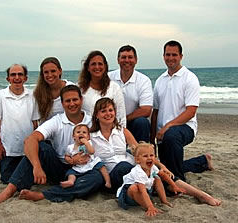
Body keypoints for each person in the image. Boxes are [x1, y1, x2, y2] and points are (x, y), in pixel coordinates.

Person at [0, 85, 103, 206]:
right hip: (59, 168)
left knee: (97, 178)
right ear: (62, 103)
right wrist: (37, 166)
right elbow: (30, 140)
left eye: (75, 100)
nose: (72, 104)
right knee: (41, 146)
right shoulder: (57, 121)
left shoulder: (92, 122)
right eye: (68, 101)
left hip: (83, 170)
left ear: (81, 100)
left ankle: (43, 195)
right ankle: (8, 191)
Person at [92, 98, 221, 207]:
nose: (108, 114)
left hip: (137, 170)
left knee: (160, 172)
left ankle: (201, 195)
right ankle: (151, 190)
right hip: (115, 175)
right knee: (125, 167)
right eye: (103, 111)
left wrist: (161, 166)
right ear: (97, 115)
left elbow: (139, 151)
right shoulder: (91, 136)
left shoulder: (122, 131)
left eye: (110, 110)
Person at [150, 40, 214, 182]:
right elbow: (155, 111)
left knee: (171, 137)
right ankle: (202, 161)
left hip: (184, 128)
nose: (170, 58)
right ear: (163, 56)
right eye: (168, 54)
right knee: (166, 168)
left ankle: (178, 181)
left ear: (181, 56)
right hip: (163, 133)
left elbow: (190, 111)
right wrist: (152, 139)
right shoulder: (160, 80)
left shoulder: (190, 78)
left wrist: (168, 127)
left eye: (174, 54)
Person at [0, 64, 39, 184]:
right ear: (8, 79)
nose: (17, 77)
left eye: (20, 74)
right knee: (7, 181)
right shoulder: (0, 95)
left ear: (25, 78)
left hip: (27, 151)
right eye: (13, 75)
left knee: (27, 182)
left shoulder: (32, 96)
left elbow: (35, 123)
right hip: (7, 150)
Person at [117, 143, 184, 217]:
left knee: (157, 178)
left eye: (151, 155)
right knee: (134, 188)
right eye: (145, 156)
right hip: (129, 196)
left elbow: (163, 175)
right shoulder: (138, 171)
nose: (149, 158)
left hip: (145, 191)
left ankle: (164, 201)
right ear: (137, 160)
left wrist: (174, 186)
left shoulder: (152, 167)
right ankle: (149, 207)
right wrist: (150, 206)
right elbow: (142, 190)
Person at [109, 45, 153, 142]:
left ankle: (142, 153)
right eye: (123, 57)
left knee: (142, 122)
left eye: (130, 57)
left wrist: (123, 119)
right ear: (118, 60)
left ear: (136, 60)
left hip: (132, 121)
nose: (127, 60)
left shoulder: (143, 80)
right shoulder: (108, 77)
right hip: (109, 121)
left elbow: (146, 110)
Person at [78, 50, 127, 127]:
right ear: (88, 67)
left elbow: (121, 117)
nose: (97, 67)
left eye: (100, 64)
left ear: (105, 67)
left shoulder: (114, 88)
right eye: (93, 64)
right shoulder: (79, 88)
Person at [60, 124, 111, 188]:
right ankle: (71, 181)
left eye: (84, 132)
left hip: (90, 163)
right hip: (78, 166)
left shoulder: (89, 143)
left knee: (102, 166)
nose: (81, 134)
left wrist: (86, 143)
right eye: (78, 132)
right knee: (70, 172)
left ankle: (108, 181)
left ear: (88, 137)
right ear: (73, 136)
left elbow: (92, 151)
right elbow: (67, 155)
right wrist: (68, 159)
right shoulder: (70, 147)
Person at [33, 57, 75, 123]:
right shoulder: (39, 93)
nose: (50, 75)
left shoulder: (71, 89)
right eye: (46, 72)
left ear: (60, 71)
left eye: (53, 71)